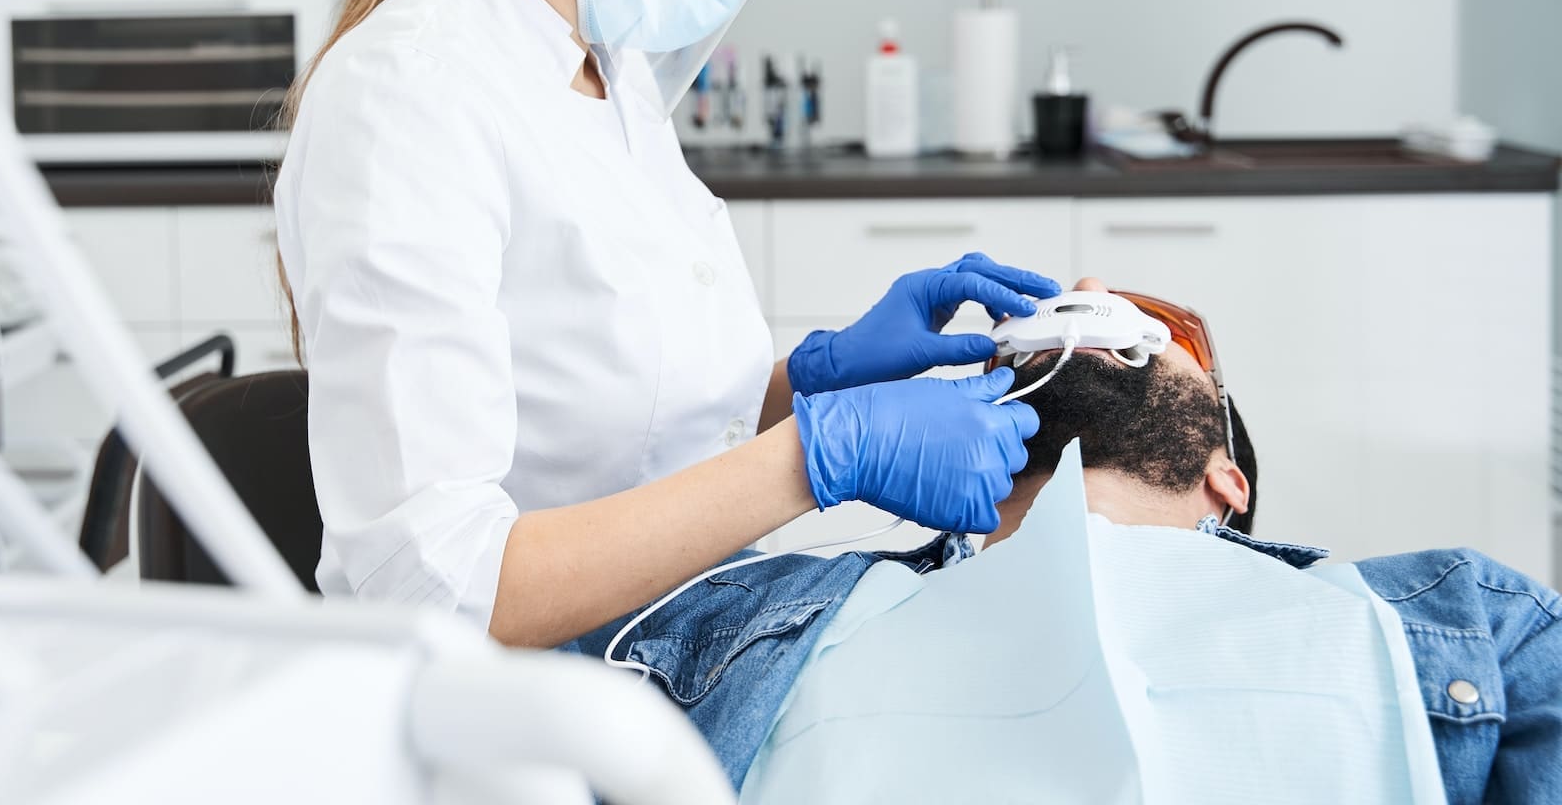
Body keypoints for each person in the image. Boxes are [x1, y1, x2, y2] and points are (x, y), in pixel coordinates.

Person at [271, 0, 1059, 647]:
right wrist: (817, 457)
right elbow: (435, 582)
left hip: (673, 639)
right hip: (510, 724)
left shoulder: (612, 69)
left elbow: (625, 422)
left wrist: (810, 382)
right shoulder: (408, 95)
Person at [578, 278, 1562, 803]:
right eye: (1063, 307)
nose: (1087, 290)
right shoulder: (740, 617)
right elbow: (495, 607)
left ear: (1228, 474)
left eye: (1153, 319)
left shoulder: (1475, 622)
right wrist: (796, 412)